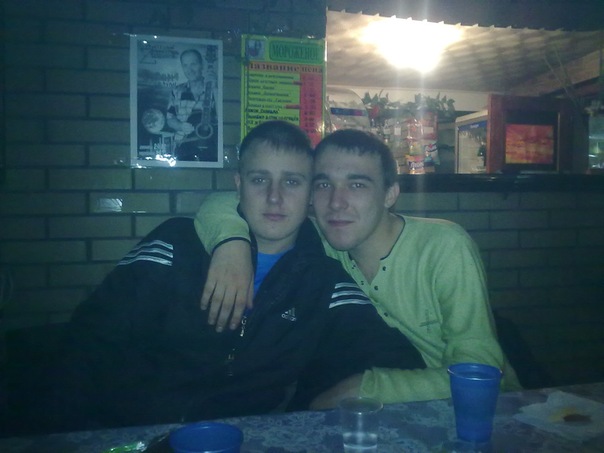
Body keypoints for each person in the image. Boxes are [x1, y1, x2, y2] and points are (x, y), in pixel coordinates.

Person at [5, 122, 423, 435]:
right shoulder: (174, 247)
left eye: (292, 182)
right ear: (238, 185)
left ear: (311, 193)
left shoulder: (324, 282)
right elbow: (87, 347)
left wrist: (324, 399)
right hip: (133, 434)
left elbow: (395, 359)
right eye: (259, 180)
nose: (274, 197)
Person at [194, 128, 522, 409]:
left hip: (489, 412)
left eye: (357, 185)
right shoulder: (321, 240)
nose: (336, 203)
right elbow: (226, 202)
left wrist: (364, 389)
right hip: (392, 417)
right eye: (324, 185)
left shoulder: (442, 246)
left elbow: (481, 372)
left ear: (390, 194)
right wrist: (231, 244)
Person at [166, 48, 218, 162]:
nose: (189, 70)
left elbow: (222, 117)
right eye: (185, 65)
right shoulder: (177, 91)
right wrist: (180, 126)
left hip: (209, 147)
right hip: (183, 146)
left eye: (193, 64)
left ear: (201, 65)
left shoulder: (214, 89)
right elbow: (170, 119)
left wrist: (215, 88)